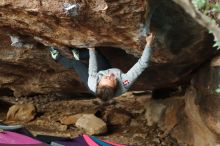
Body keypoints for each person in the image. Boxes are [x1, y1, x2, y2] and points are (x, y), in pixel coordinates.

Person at [49, 33, 155, 101]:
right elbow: (142, 64)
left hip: (94, 79)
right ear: (116, 84)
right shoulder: (125, 81)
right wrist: (149, 44)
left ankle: (57, 57)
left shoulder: (92, 81)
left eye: (106, 78)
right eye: (111, 79)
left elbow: (93, 68)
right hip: (101, 73)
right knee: (97, 54)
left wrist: (91, 49)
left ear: (98, 82)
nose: (109, 75)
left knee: (77, 64)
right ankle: (79, 54)